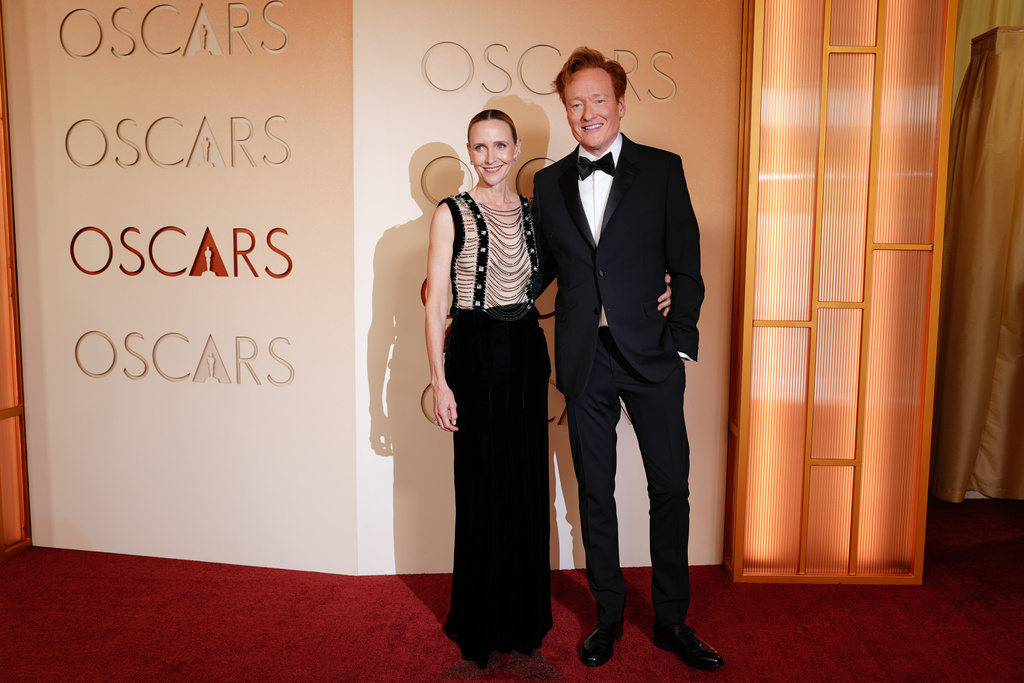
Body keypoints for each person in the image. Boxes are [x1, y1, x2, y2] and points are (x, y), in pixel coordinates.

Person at [531, 47, 724, 670]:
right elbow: (543, 270)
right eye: (574, 104)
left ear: (619, 102)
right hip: (586, 358)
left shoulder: (663, 169)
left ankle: (671, 621)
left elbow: (688, 266)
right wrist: (470, 296)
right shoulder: (548, 182)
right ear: (566, 111)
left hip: (653, 354)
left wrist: (682, 336)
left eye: (596, 100)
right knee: (596, 492)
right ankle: (608, 615)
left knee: (671, 487)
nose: (586, 112)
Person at [424, 109, 552, 668]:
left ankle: (522, 616)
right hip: (473, 351)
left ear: (517, 147)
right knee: (479, 482)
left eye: (501, 145)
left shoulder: (533, 213)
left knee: (523, 482)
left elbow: (582, 263)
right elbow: (435, 303)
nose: (492, 157)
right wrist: (439, 380)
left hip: (525, 349)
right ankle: (479, 617)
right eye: (480, 147)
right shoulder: (450, 213)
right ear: (468, 152)